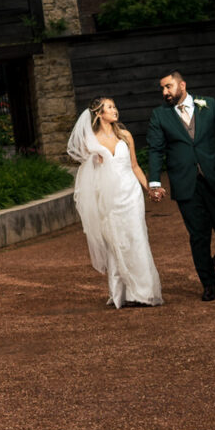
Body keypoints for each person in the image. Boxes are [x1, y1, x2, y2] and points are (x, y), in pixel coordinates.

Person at [146, 70, 215, 301]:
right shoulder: (159, 115)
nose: (164, 92)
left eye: (168, 87)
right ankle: (207, 283)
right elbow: (156, 150)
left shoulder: (209, 105)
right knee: (199, 235)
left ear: (182, 85)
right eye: (162, 89)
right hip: (185, 183)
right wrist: (155, 181)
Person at [66, 97, 163, 308]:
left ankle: (144, 292)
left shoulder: (125, 136)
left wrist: (151, 189)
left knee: (136, 238)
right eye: (110, 107)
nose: (115, 110)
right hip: (108, 198)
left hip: (130, 194)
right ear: (99, 113)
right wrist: (93, 161)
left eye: (115, 106)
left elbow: (135, 166)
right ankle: (122, 292)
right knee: (115, 241)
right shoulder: (91, 141)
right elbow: (86, 171)